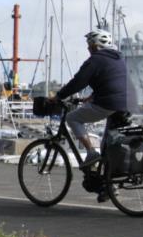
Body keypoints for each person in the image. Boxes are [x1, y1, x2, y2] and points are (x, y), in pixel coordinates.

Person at [49, 29, 127, 201]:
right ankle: (109, 186)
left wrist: (59, 96)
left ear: (96, 46)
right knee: (108, 146)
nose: (88, 49)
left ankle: (91, 152)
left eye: (89, 45)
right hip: (123, 104)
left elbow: (78, 82)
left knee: (72, 118)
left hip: (108, 104)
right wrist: (91, 97)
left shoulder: (95, 60)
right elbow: (109, 81)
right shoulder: (118, 58)